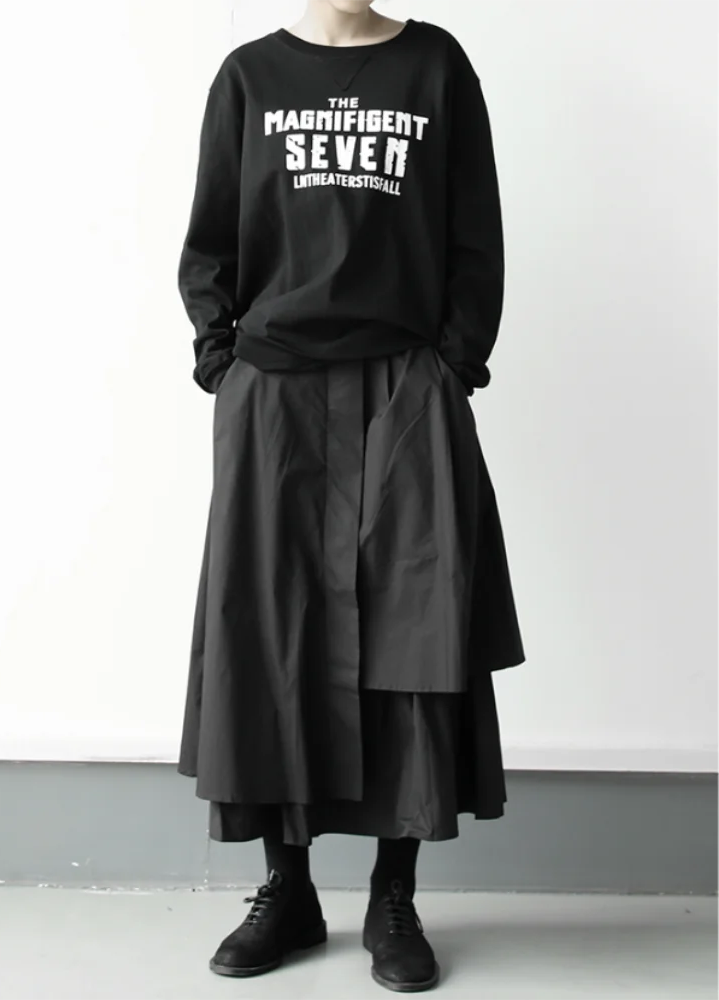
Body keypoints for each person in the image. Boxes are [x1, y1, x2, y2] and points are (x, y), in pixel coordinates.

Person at [176, 0, 525, 992]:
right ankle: (286, 890)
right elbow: (210, 238)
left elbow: (475, 232)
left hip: (405, 382)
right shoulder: (249, 77)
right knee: (268, 629)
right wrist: (224, 365)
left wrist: (452, 365)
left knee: (412, 626)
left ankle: (393, 895)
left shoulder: (436, 68)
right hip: (274, 391)